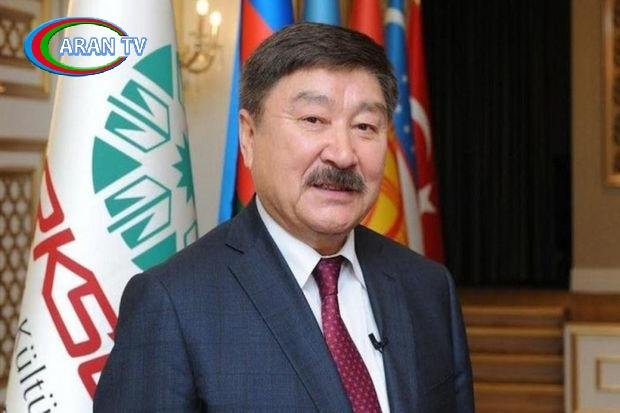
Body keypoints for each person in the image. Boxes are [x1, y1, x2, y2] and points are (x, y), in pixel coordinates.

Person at [94, 22, 474, 413]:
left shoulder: (428, 288)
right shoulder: (173, 303)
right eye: (313, 120)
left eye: (364, 126)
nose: (343, 154)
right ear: (249, 136)